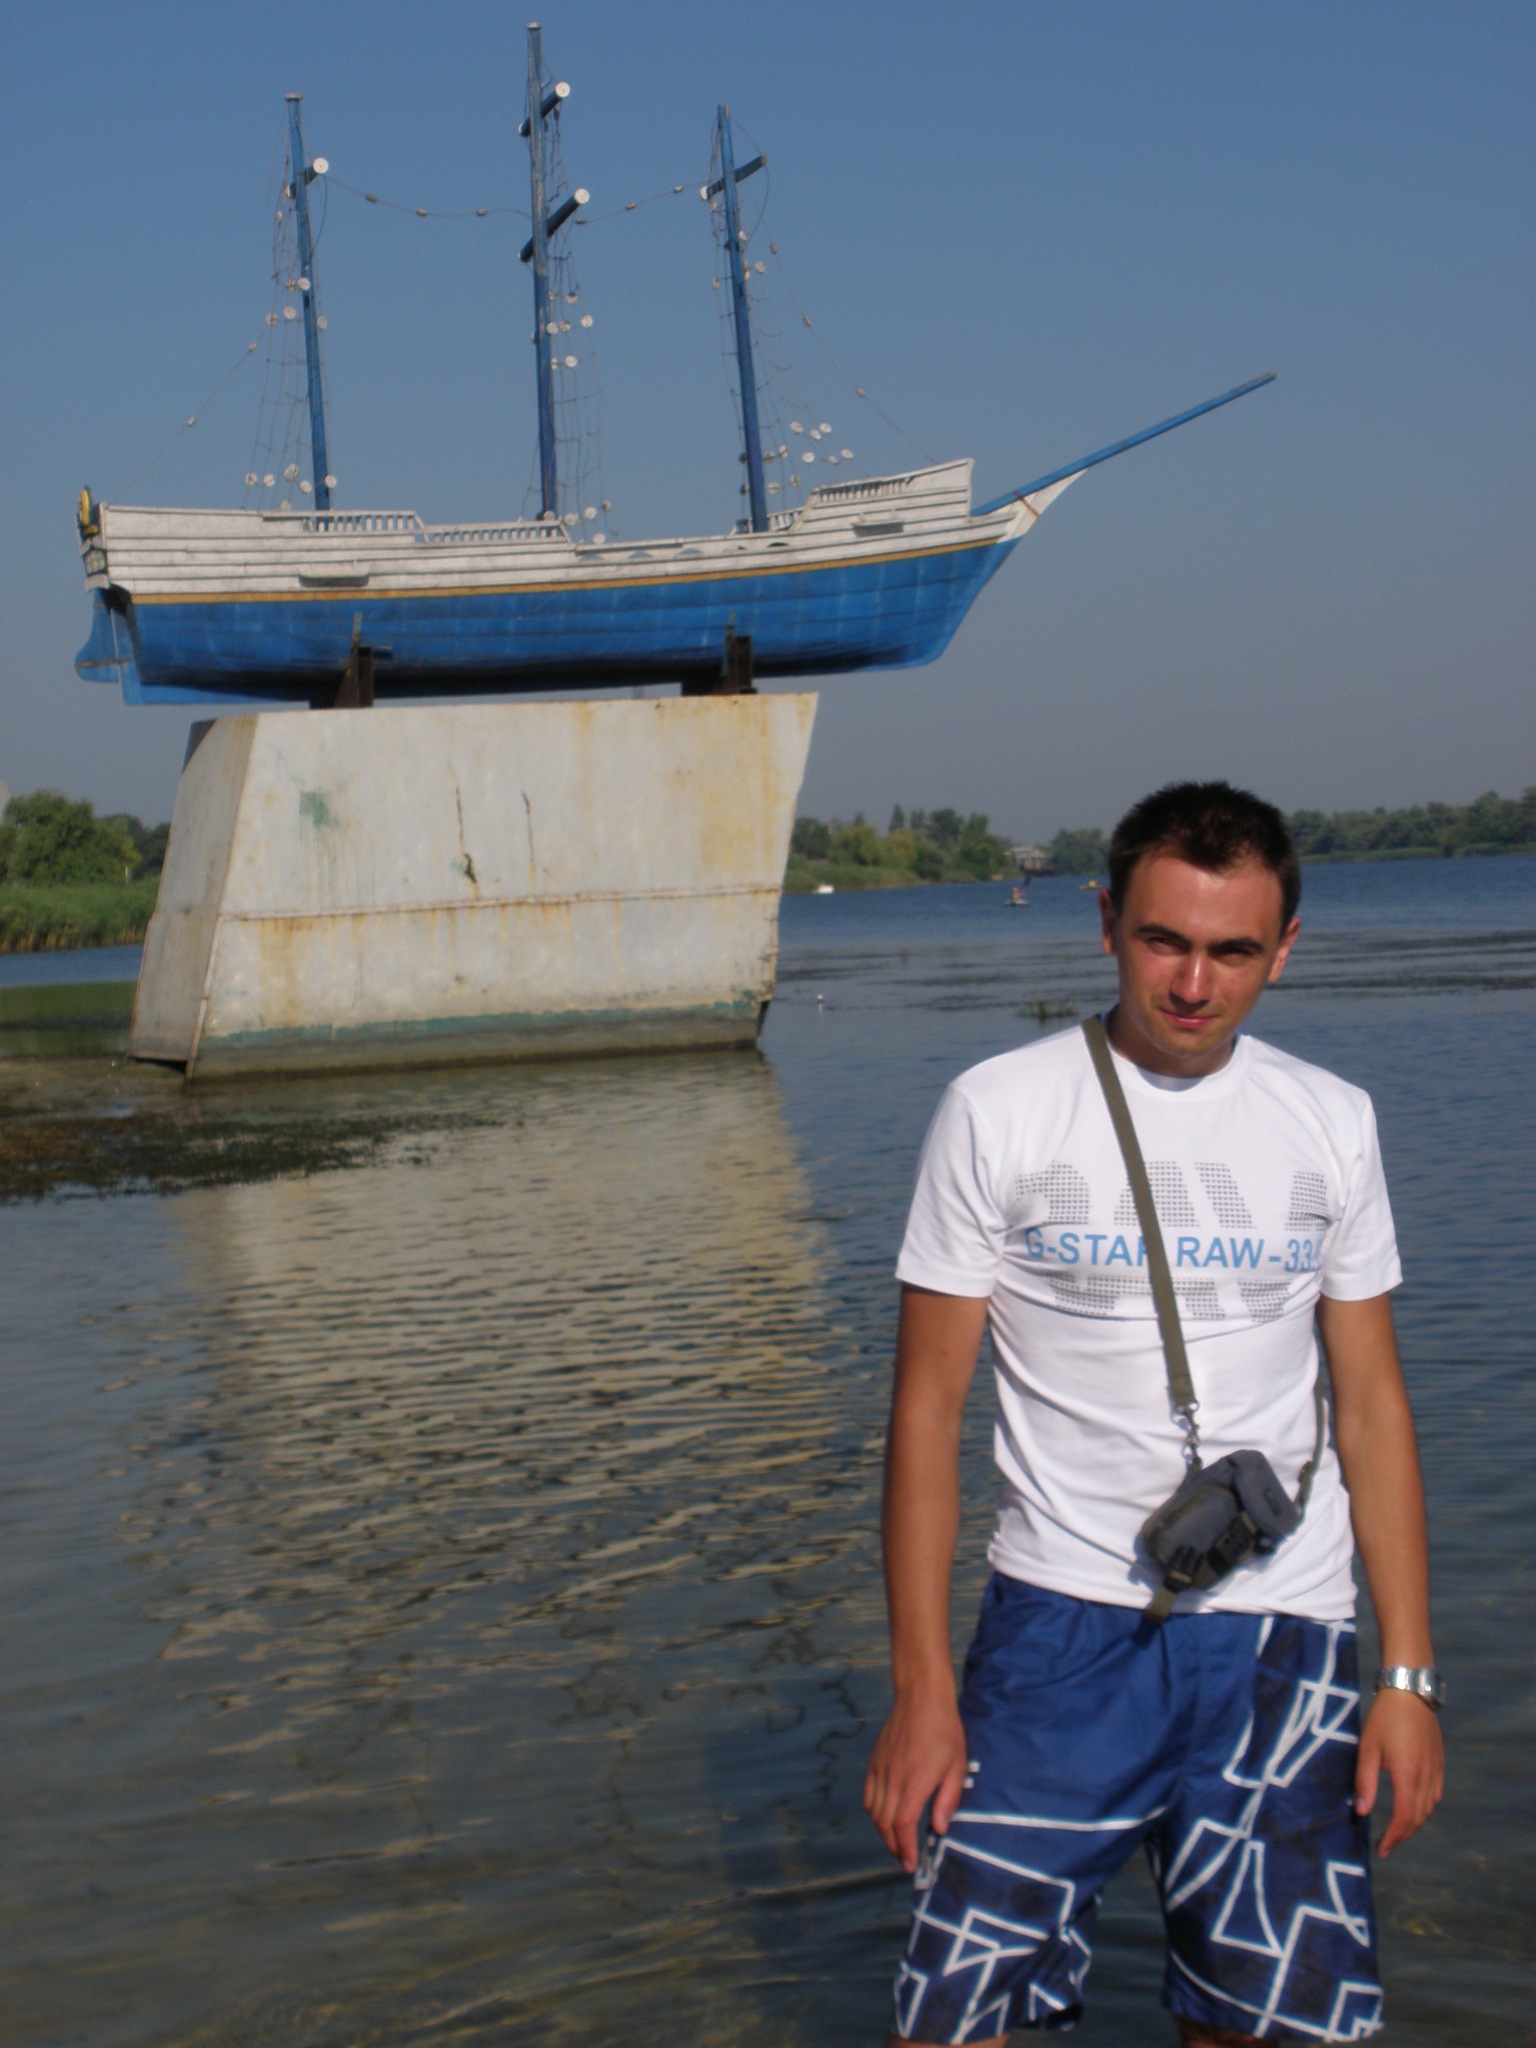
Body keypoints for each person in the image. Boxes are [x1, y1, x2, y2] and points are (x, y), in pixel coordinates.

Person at [864, 781, 1443, 2045]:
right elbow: (926, 1411)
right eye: (1163, 939)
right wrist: (921, 1688)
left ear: (1286, 947)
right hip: (1061, 1629)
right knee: (955, 2018)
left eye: (1233, 950)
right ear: (1105, 921)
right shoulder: (999, 1108)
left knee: (1262, 2022)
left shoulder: (1333, 1119)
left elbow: (1373, 1405)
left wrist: (1406, 1676)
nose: (1193, 983)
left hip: (1286, 1639)